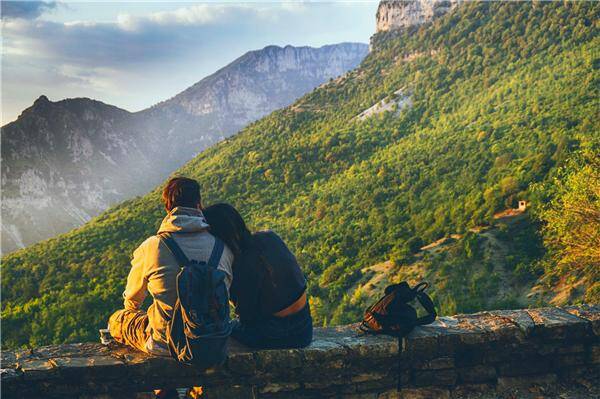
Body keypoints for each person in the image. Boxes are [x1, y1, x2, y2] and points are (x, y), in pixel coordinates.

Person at [108, 177, 234, 357]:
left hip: (164, 343)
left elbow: (132, 298)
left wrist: (134, 310)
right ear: (199, 204)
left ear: (168, 207)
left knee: (118, 319)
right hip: (211, 340)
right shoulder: (223, 248)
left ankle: (160, 384)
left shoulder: (152, 246)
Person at [203, 203, 312, 349]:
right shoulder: (269, 237)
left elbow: (247, 319)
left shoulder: (239, 265)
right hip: (305, 327)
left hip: (280, 335)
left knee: (222, 330)